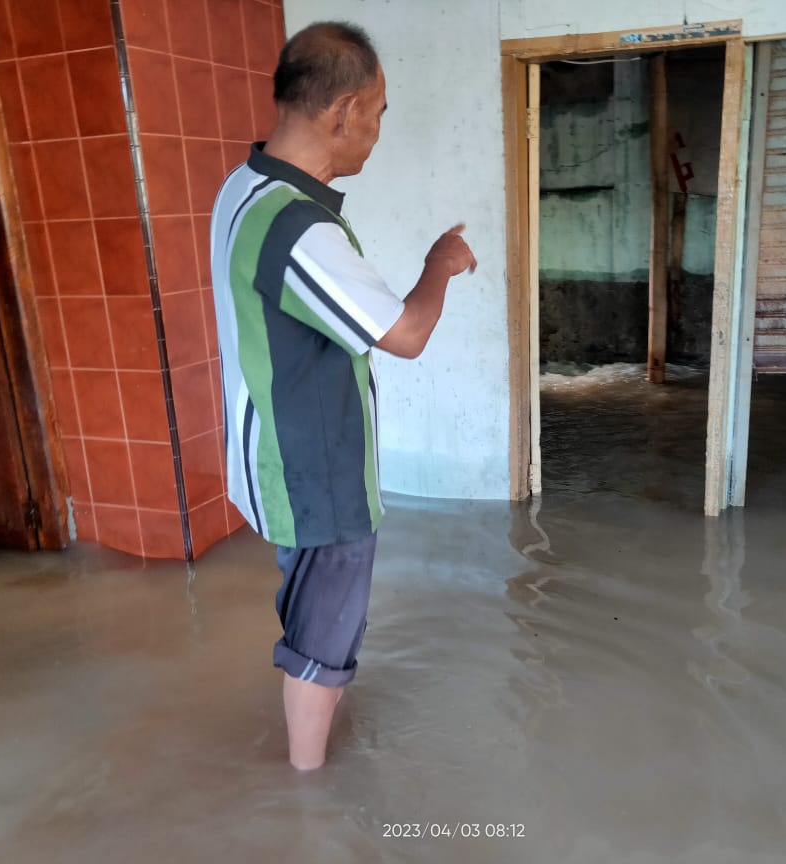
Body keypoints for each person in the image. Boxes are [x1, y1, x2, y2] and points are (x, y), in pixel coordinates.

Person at [210, 21, 476, 771]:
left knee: (310, 611)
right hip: (315, 473)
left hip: (272, 453)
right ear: (343, 112)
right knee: (321, 638)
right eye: (380, 113)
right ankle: (308, 796)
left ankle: (309, 749)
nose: (378, 130)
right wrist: (440, 262)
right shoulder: (298, 229)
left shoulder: (246, 185)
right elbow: (406, 332)